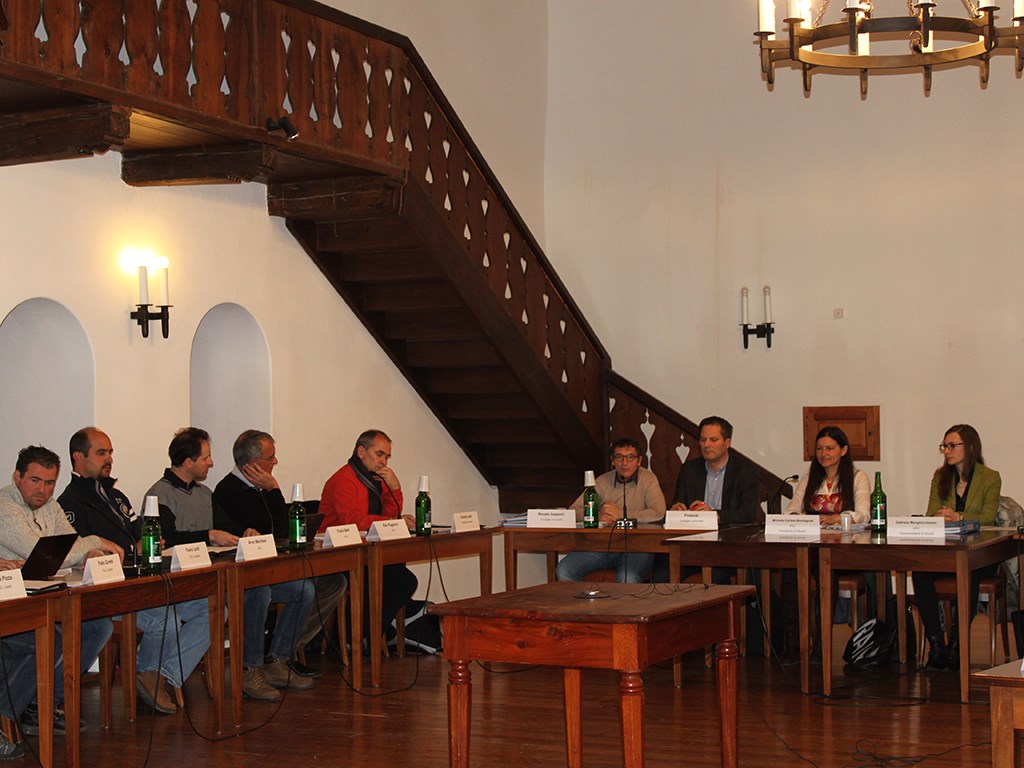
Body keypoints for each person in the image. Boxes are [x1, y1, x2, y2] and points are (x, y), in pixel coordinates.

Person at [146, 427, 314, 700]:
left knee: (302, 589)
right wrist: (208, 536)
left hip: (220, 575)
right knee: (258, 591)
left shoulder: (204, 493)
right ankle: (250, 669)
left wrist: (244, 532)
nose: (211, 463)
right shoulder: (159, 494)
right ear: (188, 462)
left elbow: (226, 527)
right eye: (206, 458)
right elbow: (167, 540)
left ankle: (278, 661)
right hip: (190, 582)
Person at [58, 427, 210, 715]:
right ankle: (148, 672)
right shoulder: (69, 503)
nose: (109, 458)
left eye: (110, 452)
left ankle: (162, 675)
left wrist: (150, 541)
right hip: (108, 595)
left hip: (142, 585)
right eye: (101, 453)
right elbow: (82, 558)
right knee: (166, 620)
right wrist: (131, 550)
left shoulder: (115, 495)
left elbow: (138, 531)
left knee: (212, 609)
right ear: (78, 457)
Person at [0, 445, 121, 736]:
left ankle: (41, 705)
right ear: (17, 477)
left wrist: (88, 553)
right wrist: (94, 541)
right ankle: (6, 716)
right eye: (35, 480)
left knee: (98, 627)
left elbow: (68, 545)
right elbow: (39, 552)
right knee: (49, 638)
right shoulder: (4, 507)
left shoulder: (50, 507)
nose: (42, 490)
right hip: (12, 604)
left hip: (43, 597)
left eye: (49, 482)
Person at [213, 429, 344, 677]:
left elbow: (281, 532)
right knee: (302, 589)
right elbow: (279, 530)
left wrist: (272, 490)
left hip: (271, 568)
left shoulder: (259, 488)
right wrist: (274, 489)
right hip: (249, 576)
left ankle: (282, 653)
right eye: (270, 457)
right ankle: (272, 657)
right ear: (253, 463)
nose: (275, 461)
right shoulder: (229, 490)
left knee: (331, 581)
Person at [319, 429, 419, 646]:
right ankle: (349, 638)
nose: (383, 462)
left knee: (402, 578)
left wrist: (394, 488)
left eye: (387, 457)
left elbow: (391, 514)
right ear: (361, 452)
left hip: (365, 551)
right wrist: (392, 521)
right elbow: (353, 521)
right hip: (337, 555)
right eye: (379, 454)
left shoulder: (374, 480)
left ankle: (369, 635)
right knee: (396, 580)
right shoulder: (344, 479)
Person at [914, 424, 1001, 670]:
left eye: (952, 446)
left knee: (969, 574)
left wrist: (959, 517)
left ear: (970, 447)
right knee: (919, 573)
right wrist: (939, 516)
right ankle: (936, 645)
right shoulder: (940, 477)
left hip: (980, 553)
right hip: (947, 552)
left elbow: (988, 517)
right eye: (944, 446)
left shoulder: (990, 477)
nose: (947, 451)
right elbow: (931, 512)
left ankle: (956, 645)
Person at [653, 416, 761, 582]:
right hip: (692, 543)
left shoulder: (745, 471)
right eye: (703, 440)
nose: (706, 445)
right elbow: (678, 501)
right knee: (662, 572)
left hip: (728, 546)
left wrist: (715, 515)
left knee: (716, 577)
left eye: (713, 440)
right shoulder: (689, 470)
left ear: (727, 442)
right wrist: (676, 509)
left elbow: (747, 513)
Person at [555, 437, 666, 584]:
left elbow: (659, 513)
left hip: (638, 547)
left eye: (630, 457)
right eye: (619, 457)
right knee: (564, 570)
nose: (624, 463)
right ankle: (587, 599)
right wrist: (597, 515)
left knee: (628, 578)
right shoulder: (602, 481)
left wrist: (619, 514)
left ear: (639, 461)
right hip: (603, 545)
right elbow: (573, 511)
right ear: (612, 461)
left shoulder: (648, 479)